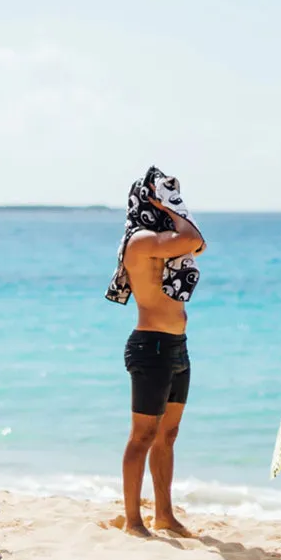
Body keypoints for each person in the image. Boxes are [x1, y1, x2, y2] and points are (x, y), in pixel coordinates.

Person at [106, 168, 205, 538]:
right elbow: (193, 238)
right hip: (152, 347)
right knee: (142, 436)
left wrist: (171, 209)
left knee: (169, 435)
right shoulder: (142, 241)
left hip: (177, 347)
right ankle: (133, 520)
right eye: (164, 197)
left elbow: (198, 243)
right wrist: (170, 207)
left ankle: (164, 515)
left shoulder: (162, 239)